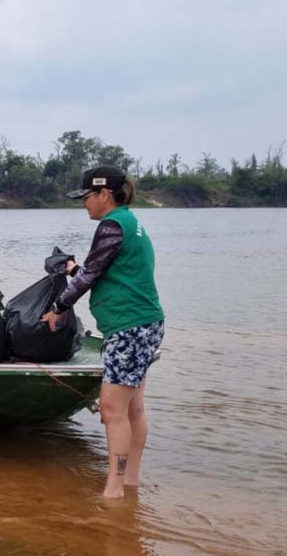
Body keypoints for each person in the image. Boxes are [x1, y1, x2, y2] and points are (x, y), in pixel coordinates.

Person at [41, 166, 164, 498]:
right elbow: (107, 271)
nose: (84, 204)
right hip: (146, 323)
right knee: (132, 408)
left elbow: (90, 276)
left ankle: (113, 489)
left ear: (104, 195)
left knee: (111, 410)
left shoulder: (111, 225)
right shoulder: (130, 223)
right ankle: (130, 482)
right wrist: (72, 268)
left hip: (130, 327)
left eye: (86, 197)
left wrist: (58, 308)